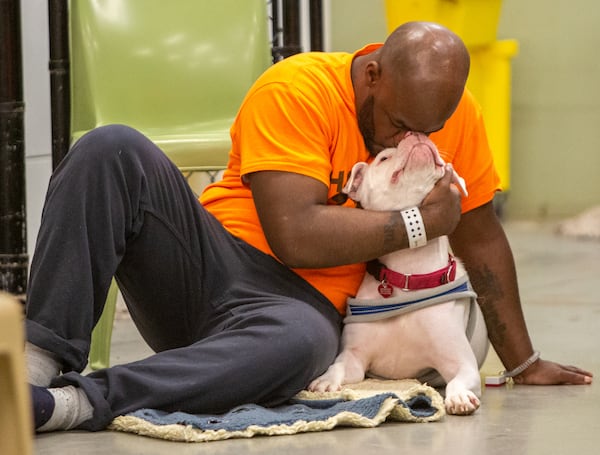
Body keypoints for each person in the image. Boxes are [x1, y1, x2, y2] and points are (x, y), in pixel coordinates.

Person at [26, 21, 592, 432]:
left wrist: (522, 361)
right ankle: (33, 368)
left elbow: (480, 234)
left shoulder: (451, 118)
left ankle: (71, 405)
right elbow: (293, 236)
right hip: (208, 263)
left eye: (428, 129)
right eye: (397, 124)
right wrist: (418, 222)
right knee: (110, 148)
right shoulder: (299, 88)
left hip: (295, 311)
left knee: (304, 346)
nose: (408, 141)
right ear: (372, 76)